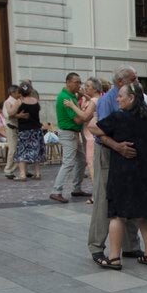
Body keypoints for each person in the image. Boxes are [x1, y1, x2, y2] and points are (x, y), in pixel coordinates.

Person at [90, 81, 147, 269]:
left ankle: (114, 258)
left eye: (121, 96)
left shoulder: (119, 117)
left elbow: (93, 127)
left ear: (132, 98)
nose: (117, 99)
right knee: (145, 215)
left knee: (117, 215)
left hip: (123, 174)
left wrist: (111, 142)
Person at [88, 69, 141, 261]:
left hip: (126, 154)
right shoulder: (107, 101)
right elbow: (98, 130)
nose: (137, 81)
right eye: (133, 79)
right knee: (104, 198)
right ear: (120, 81)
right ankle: (96, 245)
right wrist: (117, 146)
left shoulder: (133, 98)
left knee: (129, 197)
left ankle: (130, 245)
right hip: (109, 152)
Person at [50, 72, 89, 202]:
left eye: (80, 82)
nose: (79, 85)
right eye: (76, 82)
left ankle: (76, 188)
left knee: (82, 160)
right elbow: (78, 120)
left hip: (72, 133)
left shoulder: (71, 95)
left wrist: (83, 96)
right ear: (68, 82)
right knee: (68, 162)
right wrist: (87, 115)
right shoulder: (65, 98)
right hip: (69, 133)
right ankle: (56, 190)